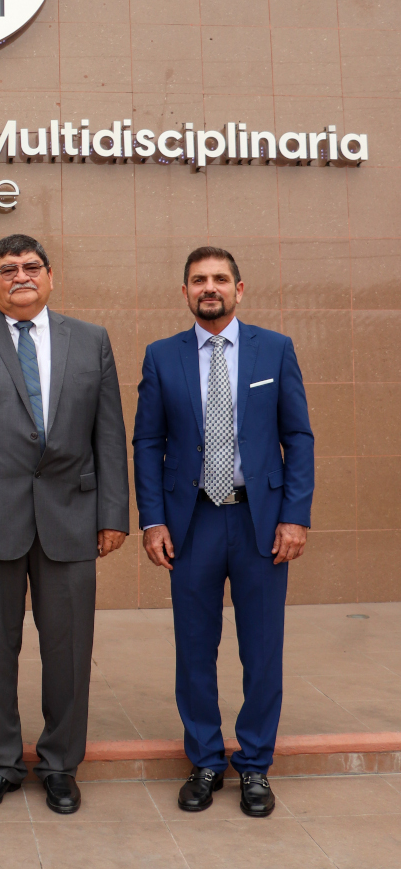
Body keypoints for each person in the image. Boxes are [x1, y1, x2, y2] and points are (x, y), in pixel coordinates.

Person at [0, 233, 129, 815]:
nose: (21, 276)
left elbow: (109, 433)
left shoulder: (90, 340)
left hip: (72, 518)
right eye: (8, 268)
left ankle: (61, 765)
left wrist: (113, 512)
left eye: (32, 266)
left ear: (50, 276)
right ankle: (0, 765)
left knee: (69, 651)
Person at [133, 247, 314, 818]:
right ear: (185, 292)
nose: (208, 288)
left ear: (240, 288)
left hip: (261, 522)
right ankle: (206, 759)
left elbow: (297, 436)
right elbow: (147, 443)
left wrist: (295, 514)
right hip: (192, 523)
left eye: (219, 279)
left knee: (262, 649)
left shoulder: (275, 349)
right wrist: (153, 519)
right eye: (198, 280)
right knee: (194, 648)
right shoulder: (162, 356)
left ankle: (255, 764)